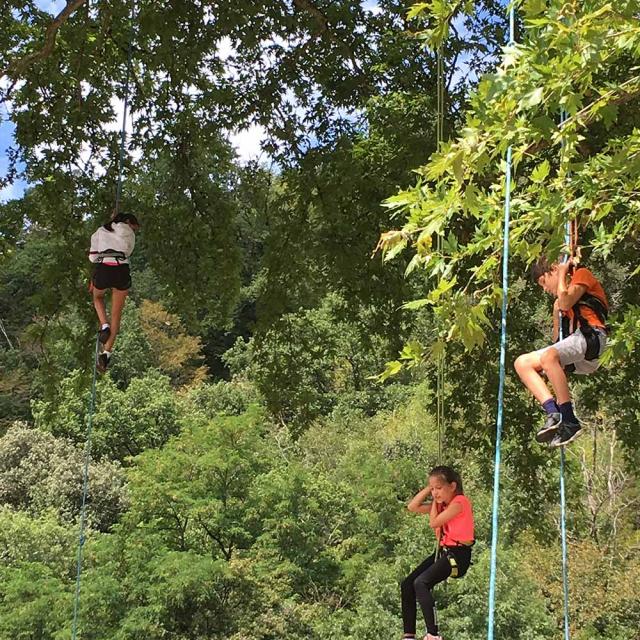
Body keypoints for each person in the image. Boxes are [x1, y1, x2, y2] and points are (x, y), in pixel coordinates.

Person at [514, 256, 608, 447]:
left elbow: (566, 302)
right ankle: (553, 411)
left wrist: (564, 273)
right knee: (522, 363)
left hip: (593, 338)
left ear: (554, 269)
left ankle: (569, 420)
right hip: (577, 348)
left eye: (543, 282)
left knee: (549, 356)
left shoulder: (582, 275)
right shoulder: (559, 300)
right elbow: (558, 341)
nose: (544, 288)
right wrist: (557, 313)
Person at [401, 466, 474, 640]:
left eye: (439, 488)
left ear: (452, 486)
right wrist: (430, 488)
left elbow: (434, 523)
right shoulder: (441, 505)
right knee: (407, 584)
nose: (435, 493)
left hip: (458, 555)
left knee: (421, 583)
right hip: (444, 552)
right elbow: (412, 506)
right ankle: (409, 634)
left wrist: (435, 502)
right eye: (433, 489)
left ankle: (433, 634)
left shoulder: (459, 503)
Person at [89, 212, 140, 372]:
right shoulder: (130, 233)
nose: (134, 229)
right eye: (134, 226)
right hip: (121, 270)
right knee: (117, 314)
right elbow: (128, 252)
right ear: (128, 221)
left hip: (104, 268)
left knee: (97, 297)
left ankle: (104, 325)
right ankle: (106, 352)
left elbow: (92, 258)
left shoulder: (100, 231)